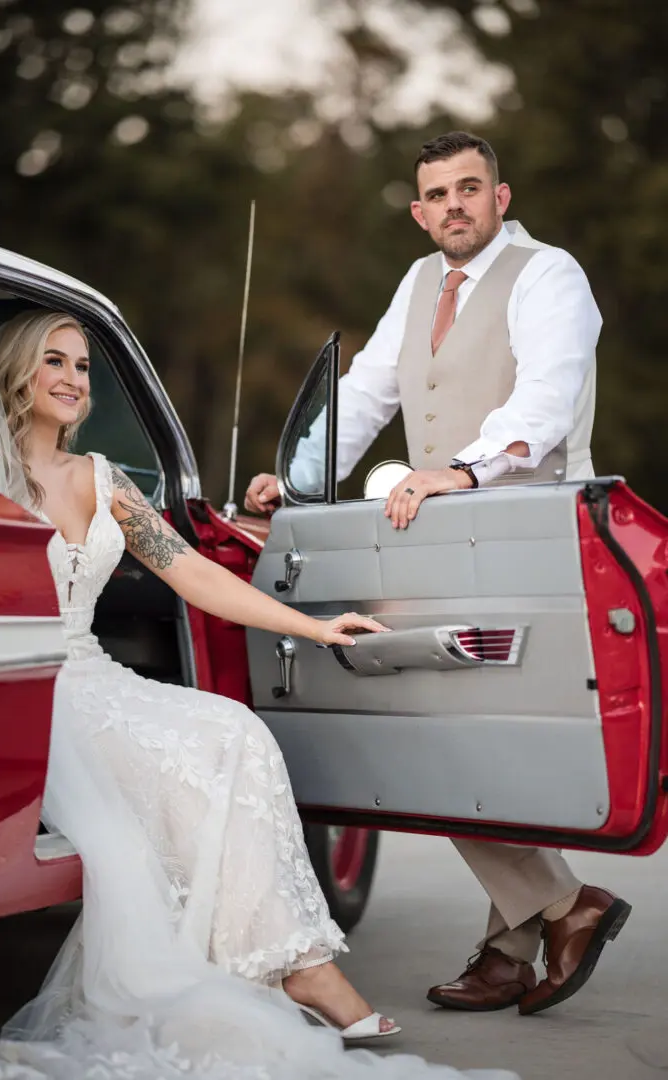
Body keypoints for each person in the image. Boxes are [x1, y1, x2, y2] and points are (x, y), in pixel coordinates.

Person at [0, 310, 519, 1080]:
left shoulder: (105, 480)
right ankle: (300, 971)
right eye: (55, 361)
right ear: (17, 372)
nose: (73, 380)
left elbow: (194, 572)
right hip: (16, 689)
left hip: (93, 677)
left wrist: (311, 627)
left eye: (84, 367)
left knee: (233, 729)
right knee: (197, 756)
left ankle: (289, 962)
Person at [245, 131, 631, 1016]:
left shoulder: (548, 274)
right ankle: (541, 924)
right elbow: (368, 392)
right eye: (438, 194)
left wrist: (462, 470)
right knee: (450, 737)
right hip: (439, 541)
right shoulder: (419, 284)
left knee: (462, 735)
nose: (455, 204)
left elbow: (549, 390)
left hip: (527, 533)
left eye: (471, 188)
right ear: (420, 213)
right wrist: (299, 477)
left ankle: (538, 925)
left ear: (501, 196)